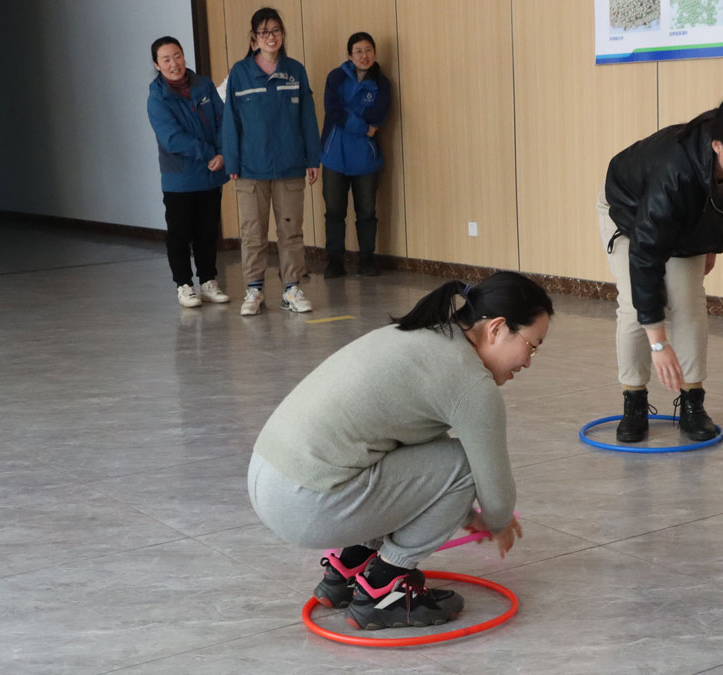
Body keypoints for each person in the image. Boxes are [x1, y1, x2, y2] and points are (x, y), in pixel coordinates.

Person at [247, 271, 552, 629]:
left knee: (416, 455)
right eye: (532, 345)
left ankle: (352, 566)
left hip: (269, 478)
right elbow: (496, 495)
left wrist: (463, 514)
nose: (528, 362)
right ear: (497, 328)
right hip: (304, 503)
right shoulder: (470, 382)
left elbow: (419, 464)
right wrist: (495, 522)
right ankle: (383, 588)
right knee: (465, 465)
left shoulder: (419, 334)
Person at [599, 96, 723, 443]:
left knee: (689, 301)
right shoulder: (675, 170)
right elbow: (645, 257)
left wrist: (713, 243)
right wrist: (658, 344)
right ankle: (634, 401)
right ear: (717, 146)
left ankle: (692, 402)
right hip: (628, 207)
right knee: (635, 307)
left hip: (689, 219)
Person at [222, 7, 321, 316]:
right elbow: (230, 120)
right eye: (264, 32)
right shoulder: (240, 73)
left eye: (276, 30)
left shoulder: (295, 71)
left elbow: (307, 117)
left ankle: (291, 288)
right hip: (250, 168)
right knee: (253, 232)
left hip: (290, 166)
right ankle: (254, 289)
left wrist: (313, 158)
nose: (271, 37)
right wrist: (231, 161)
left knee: (291, 231)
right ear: (254, 38)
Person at [146, 36, 230, 308]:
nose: (174, 63)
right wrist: (209, 153)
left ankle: (208, 280)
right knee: (180, 234)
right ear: (157, 65)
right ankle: (183, 285)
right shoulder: (157, 98)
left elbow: (223, 120)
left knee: (207, 231)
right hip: (179, 178)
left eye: (177, 56)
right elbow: (172, 138)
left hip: (210, 174)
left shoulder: (204, 85)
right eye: (166, 59)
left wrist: (223, 152)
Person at [320, 31, 392, 278]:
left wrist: (350, 115)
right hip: (334, 156)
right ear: (349, 55)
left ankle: (367, 260)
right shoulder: (336, 77)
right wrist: (361, 125)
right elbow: (333, 111)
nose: (364, 55)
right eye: (359, 51)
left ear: (375, 53)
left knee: (367, 211)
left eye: (368, 50)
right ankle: (335, 261)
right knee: (334, 211)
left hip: (366, 158)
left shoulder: (382, 83)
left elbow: (378, 115)